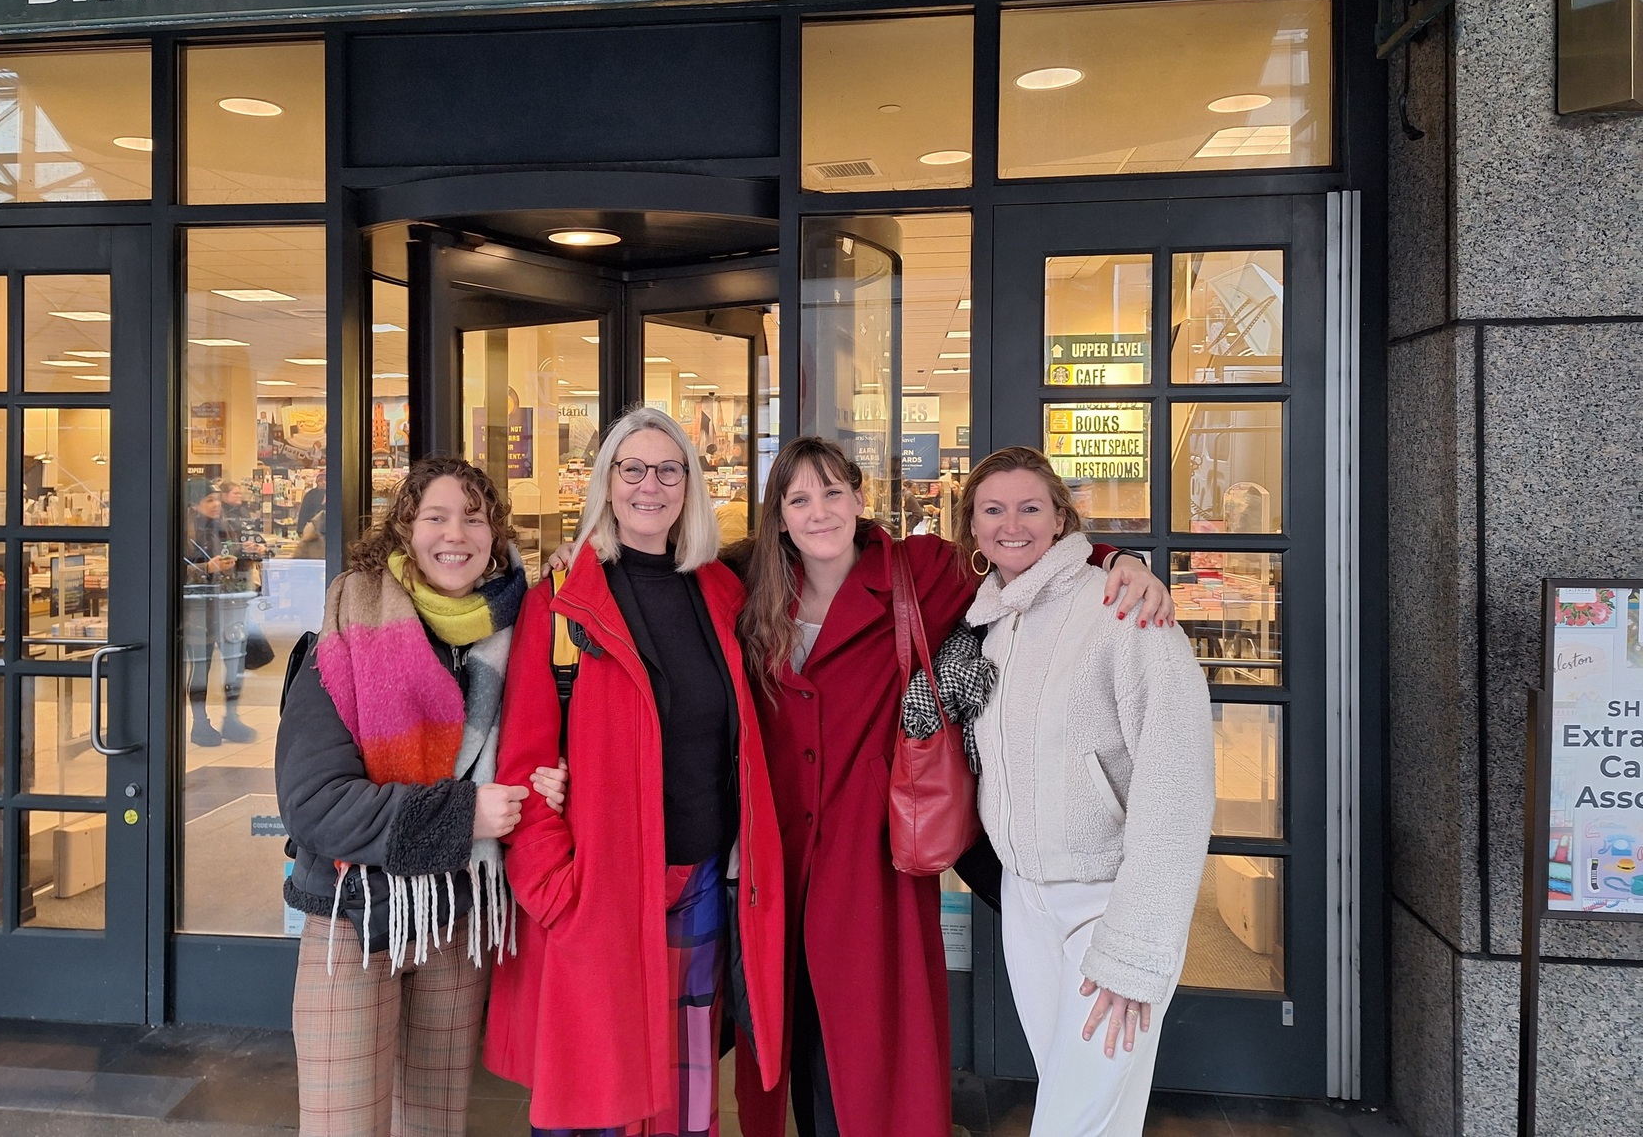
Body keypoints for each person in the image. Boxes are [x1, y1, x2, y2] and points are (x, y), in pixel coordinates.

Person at [732, 436, 1173, 1137]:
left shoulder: (918, 570)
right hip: (778, 857)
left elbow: (1023, 553)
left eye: (834, 492)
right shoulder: (748, 585)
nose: (820, 512)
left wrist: (1117, 559)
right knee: (797, 1033)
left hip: (875, 852)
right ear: (779, 516)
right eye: (799, 499)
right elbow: (660, 575)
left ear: (858, 498)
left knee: (872, 1041)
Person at [485, 406, 785, 1137]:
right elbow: (525, 762)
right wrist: (554, 889)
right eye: (633, 469)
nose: (651, 485)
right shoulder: (559, 603)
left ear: (689, 486)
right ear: (607, 482)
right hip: (602, 889)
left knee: (684, 1104)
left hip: (701, 880)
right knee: (595, 1101)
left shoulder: (722, 591)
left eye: (669, 470)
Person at [948, 447, 1213, 1137]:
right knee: (1093, 1114)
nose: (1012, 525)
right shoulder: (989, 622)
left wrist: (1137, 944)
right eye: (993, 510)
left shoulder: (1121, 607)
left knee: (1072, 1121)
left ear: (1061, 518)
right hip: (1027, 901)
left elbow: (1178, 784)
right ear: (972, 527)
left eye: (1030, 508)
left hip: (1107, 900)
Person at [275, 455, 540, 1137]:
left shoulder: (520, 634)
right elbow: (317, 804)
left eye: (474, 518)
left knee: (434, 1123)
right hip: (354, 917)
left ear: (495, 533)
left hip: (458, 915)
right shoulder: (346, 637)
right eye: (436, 517)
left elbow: (536, 751)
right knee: (342, 1124)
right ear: (404, 530)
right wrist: (465, 814)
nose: (456, 534)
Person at [184, 480, 256, 746]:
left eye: (216, 499)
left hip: (229, 607)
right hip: (198, 611)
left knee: (235, 665)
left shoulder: (224, 527)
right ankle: (199, 723)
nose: (216, 505)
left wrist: (247, 555)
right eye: (209, 500)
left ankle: (231, 718)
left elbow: (234, 559)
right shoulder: (183, 533)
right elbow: (171, 571)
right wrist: (207, 568)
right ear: (194, 504)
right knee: (200, 668)